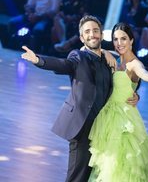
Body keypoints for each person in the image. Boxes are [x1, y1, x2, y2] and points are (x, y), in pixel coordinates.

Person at [21, 15, 139, 182]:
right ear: (82, 38)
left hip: (102, 129)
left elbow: (123, 82)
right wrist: (38, 60)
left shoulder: (108, 59)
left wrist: (135, 95)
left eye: (95, 31)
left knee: (92, 176)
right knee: (77, 177)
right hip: (81, 126)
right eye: (87, 32)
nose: (92, 34)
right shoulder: (78, 56)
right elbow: (62, 64)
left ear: (101, 34)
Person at [87, 22, 148, 182]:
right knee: (106, 162)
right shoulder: (115, 59)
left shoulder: (134, 64)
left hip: (123, 119)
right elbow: (86, 50)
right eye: (116, 39)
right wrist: (104, 51)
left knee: (122, 163)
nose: (119, 43)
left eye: (123, 39)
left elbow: (145, 74)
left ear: (131, 41)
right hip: (107, 116)